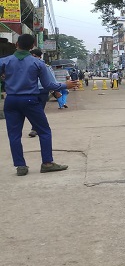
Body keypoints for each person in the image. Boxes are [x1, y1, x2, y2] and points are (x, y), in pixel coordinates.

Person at [0, 34, 78, 176]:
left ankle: (20, 166)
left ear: (16, 44)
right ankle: (47, 163)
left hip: (11, 100)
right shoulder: (38, 63)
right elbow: (48, 85)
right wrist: (65, 85)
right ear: (32, 46)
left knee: (14, 135)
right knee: (44, 131)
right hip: (30, 100)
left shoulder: (5, 62)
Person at [28, 48, 59, 137]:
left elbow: (52, 79)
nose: (33, 58)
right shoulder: (28, 66)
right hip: (31, 91)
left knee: (39, 110)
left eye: (35, 56)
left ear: (39, 56)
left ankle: (34, 129)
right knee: (33, 110)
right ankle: (37, 127)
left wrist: (56, 90)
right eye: (31, 56)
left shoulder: (45, 66)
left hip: (42, 90)